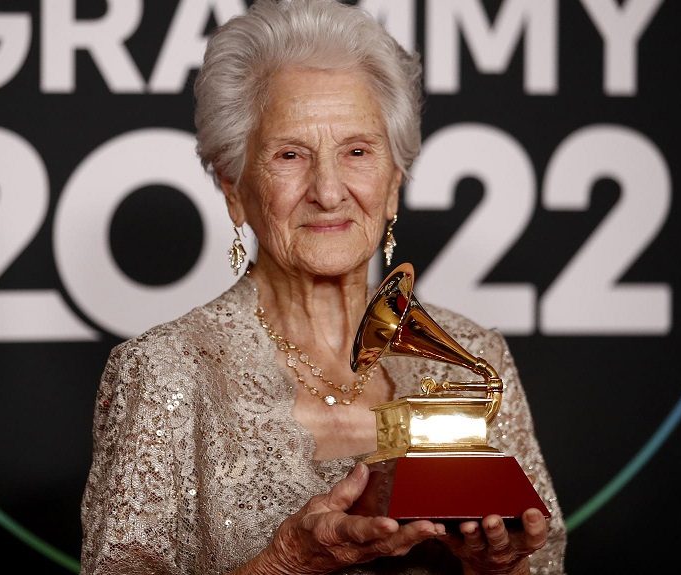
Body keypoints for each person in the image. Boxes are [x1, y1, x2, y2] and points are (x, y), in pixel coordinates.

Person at [79, 1, 566, 573]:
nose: (329, 191)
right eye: (290, 155)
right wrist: (284, 563)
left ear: (393, 185)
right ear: (234, 188)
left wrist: (496, 568)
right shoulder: (166, 371)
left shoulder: (477, 358)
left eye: (357, 152)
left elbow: (547, 561)